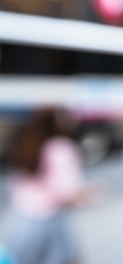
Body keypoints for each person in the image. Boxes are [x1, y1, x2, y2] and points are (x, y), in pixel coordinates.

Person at [1, 108, 98, 264]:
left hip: (21, 219)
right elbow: (67, 192)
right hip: (49, 221)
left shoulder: (26, 142)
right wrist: (91, 194)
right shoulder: (61, 147)